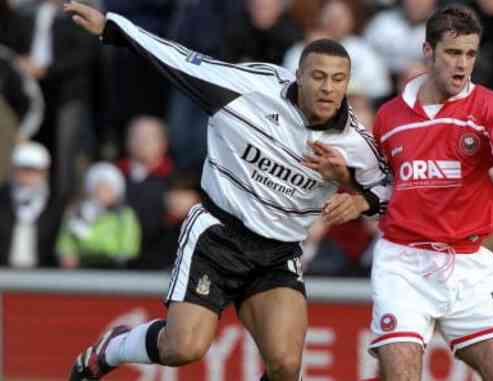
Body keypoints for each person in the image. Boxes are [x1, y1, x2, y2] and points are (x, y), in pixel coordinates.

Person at [62, 2, 389, 381]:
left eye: (338, 79)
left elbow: (392, 190)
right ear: (298, 75)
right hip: (218, 236)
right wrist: (112, 28)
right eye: (318, 76)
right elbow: (181, 60)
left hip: (277, 252)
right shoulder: (248, 90)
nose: (328, 88)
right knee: (182, 348)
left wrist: (353, 187)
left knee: (285, 365)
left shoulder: (356, 145)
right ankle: (113, 347)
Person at [316, 5, 493, 380]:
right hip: (403, 263)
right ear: (428, 51)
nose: (462, 64)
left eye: (470, 54)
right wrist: (355, 192)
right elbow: (386, 186)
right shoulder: (389, 117)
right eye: (453, 52)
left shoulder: (490, 106)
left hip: (468, 265)